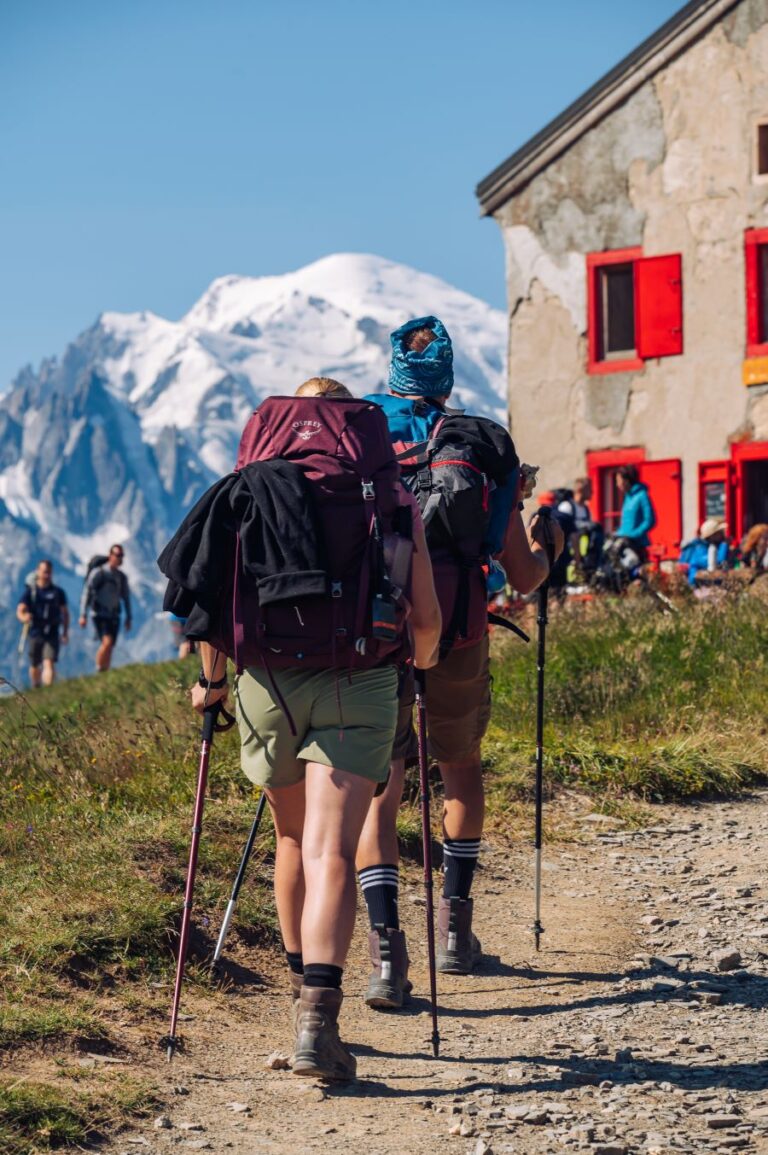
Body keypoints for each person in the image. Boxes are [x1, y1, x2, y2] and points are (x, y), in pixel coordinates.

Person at [166, 381, 443, 1081]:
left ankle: (299, 1000)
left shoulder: (251, 488)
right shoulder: (389, 494)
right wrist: (420, 662)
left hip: (267, 686)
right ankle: (320, 1025)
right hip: (361, 679)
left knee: (291, 840)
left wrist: (213, 686)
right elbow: (428, 622)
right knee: (332, 850)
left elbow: (215, 607)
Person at [355, 317, 563, 1008]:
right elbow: (523, 575)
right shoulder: (479, 442)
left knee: (382, 787)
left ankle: (387, 954)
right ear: (448, 378)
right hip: (459, 626)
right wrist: (548, 546)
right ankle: (454, 931)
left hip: (379, 630)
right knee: (460, 767)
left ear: (392, 373)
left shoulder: (361, 433)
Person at [16, 559, 69, 687]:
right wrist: (24, 617)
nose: (47, 575)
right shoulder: (31, 592)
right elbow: (20, 610)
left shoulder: (58, 592)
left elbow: (65, 613)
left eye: (49, 572)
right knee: (35, 663)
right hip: (35, 632)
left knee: (49, 661)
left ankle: (48, 689)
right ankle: (36, 686)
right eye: (45, 571)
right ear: (38, 572)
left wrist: (65, 632)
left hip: (52, 631)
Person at [78, 544, 132, 671]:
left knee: (110, 645)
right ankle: (98, 669)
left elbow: (126, 598)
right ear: (110, 555)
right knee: (107, 642)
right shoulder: (99, 573)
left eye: (121, 556)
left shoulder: (121, 577)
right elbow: (87, 592)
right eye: (117, 555)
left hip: (114, 614)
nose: (120, 558)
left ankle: (105, 671)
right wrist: (83, 614)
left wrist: (129, 617)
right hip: (99, 613)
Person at [611, 464, 656, 566]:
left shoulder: (642, 495)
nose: (617, 485)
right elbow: (627, 522)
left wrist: (634, 534)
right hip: (624, 542)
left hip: (637, 544)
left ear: (626, 480)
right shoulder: (627, 497)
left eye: (618, 481)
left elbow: (650, 520)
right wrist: (619, 533)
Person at [679, 519, 730, 587]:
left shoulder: (712, 546)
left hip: (708, 584)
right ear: (712, 535)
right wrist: (724, 545)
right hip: (698, 586)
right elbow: (717, 562)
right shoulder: (700, 549)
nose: (722, 535)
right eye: (719, 532)